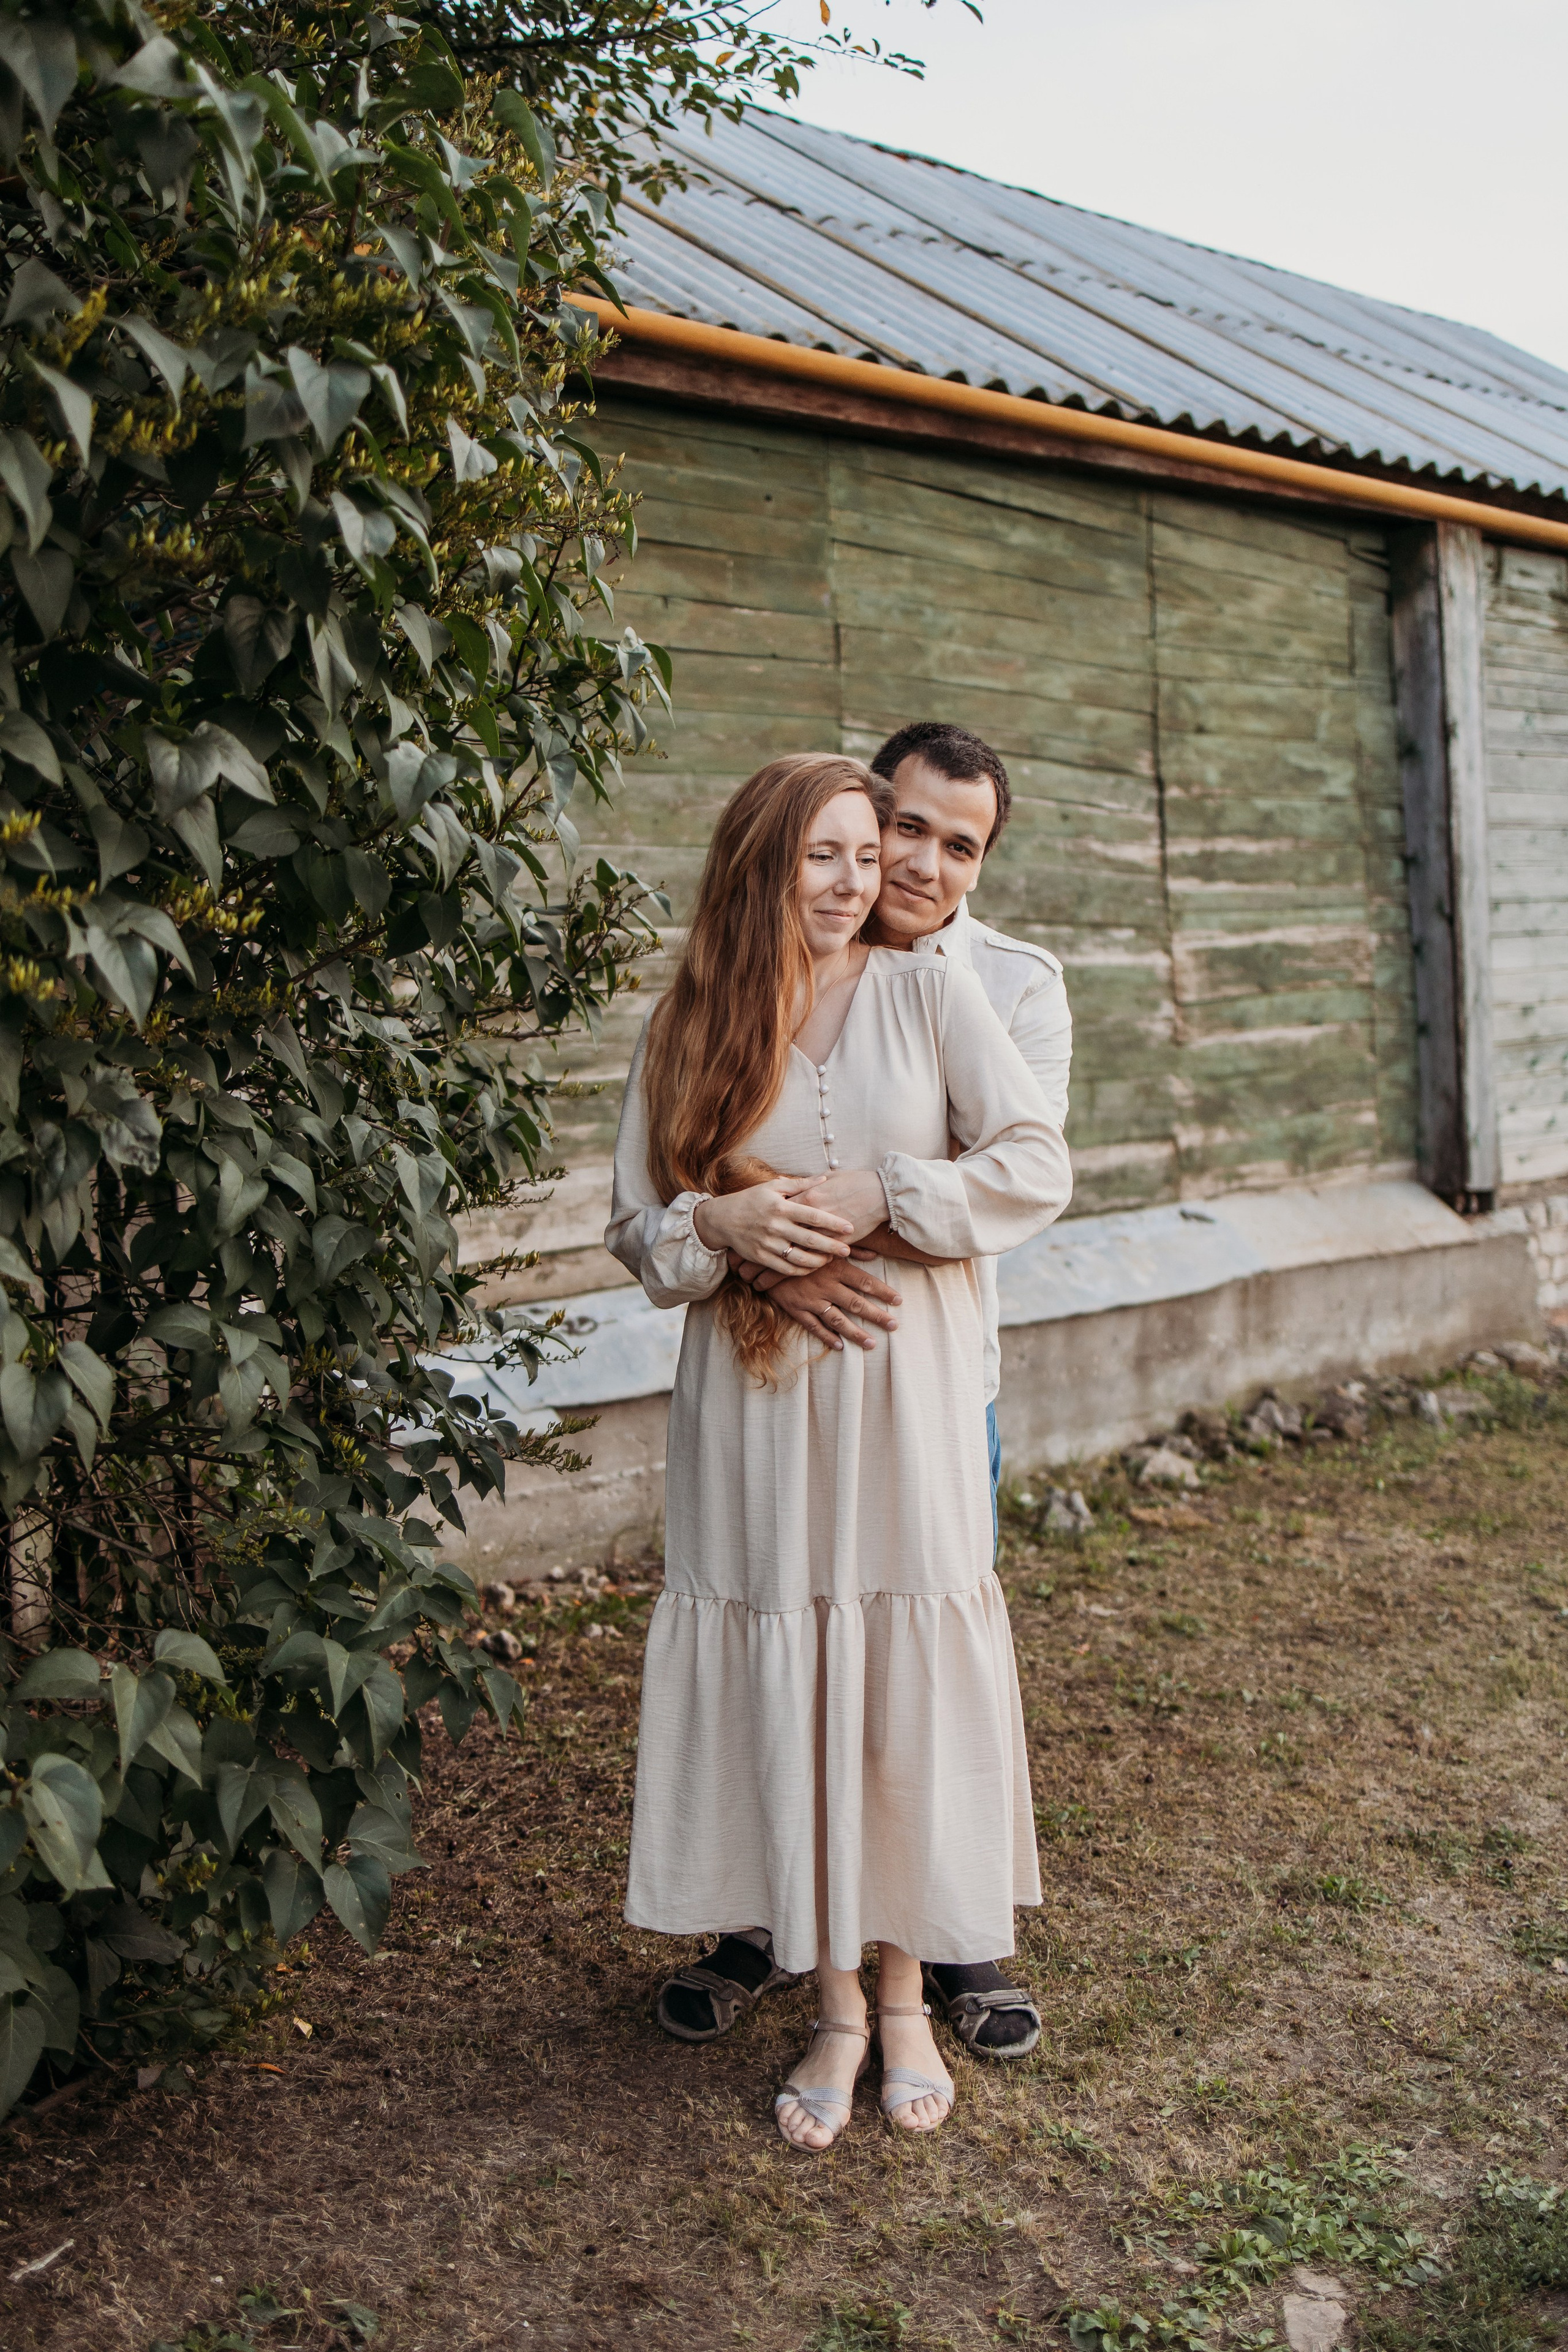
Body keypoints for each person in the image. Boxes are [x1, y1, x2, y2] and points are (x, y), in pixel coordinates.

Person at [606, 752, 1071, 2150]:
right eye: (828, 855)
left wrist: (884, 1187)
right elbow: (637, 1225)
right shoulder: (686, 1023)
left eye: (868, 857)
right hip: (752, 1415)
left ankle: (913, 1994)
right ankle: (832, 2006)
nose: (859, 880)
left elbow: (1034, 1162)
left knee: (897, 1669)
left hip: (904, 1391)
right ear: (759, 862)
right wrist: (727, 1235)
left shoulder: (933, 995)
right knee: (796, 1664)